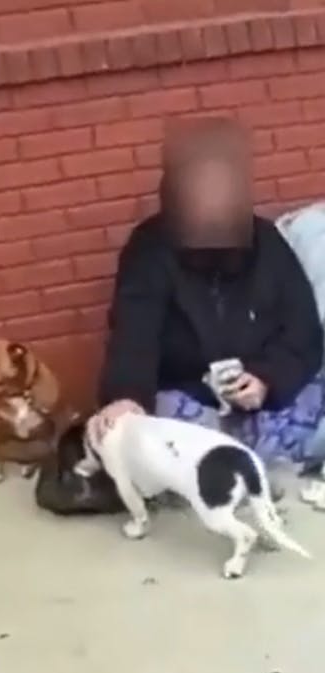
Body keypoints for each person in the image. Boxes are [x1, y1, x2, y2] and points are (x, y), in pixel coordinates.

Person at [91, 118, 324, 473]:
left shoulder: (266, 244)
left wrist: (265, 379)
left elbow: (302, 329)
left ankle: (243, 463)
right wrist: (127, 397)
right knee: (137, 428)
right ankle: (239, 464)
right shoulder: (149, 250)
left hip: (265, 398)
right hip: (192, 402)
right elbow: (133, 335)